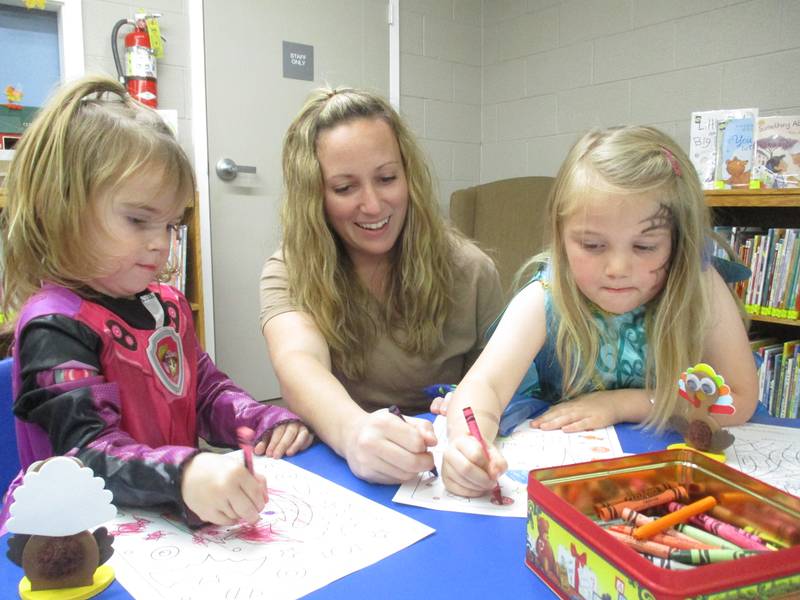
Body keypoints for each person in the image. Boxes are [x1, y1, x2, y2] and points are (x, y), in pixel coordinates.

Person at [0, 75, 313, 529]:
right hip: (77, 541)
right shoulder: (55, 326)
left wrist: (261, 418)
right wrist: (184, 471)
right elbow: (86, 454)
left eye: (170, 225)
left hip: (162, 521)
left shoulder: (164, 306)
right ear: (59, 207)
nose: (160, 245)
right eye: (138, 220)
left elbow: (204, 390)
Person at [435, 125, 758, 498]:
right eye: (592, 244)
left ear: (679, 242)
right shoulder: (546, 295)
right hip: (570, 473)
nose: (617, 267)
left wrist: (621, 404)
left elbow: (741, 398)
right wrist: (466, 446)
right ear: (560, 238)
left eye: (645, 246)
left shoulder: (699, 286)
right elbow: (483, 386)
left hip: (673, 472)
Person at [260, 87, 503, 484]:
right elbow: (297, 362)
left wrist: (470, 443)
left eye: (387, 178)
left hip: (446, 462)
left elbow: (497, 386)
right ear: (314, 196)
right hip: (345, 461)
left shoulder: (472, 271)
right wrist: (354, 432)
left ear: (409, 176)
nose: (373, 206)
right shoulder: (290, 270)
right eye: (344, 188)